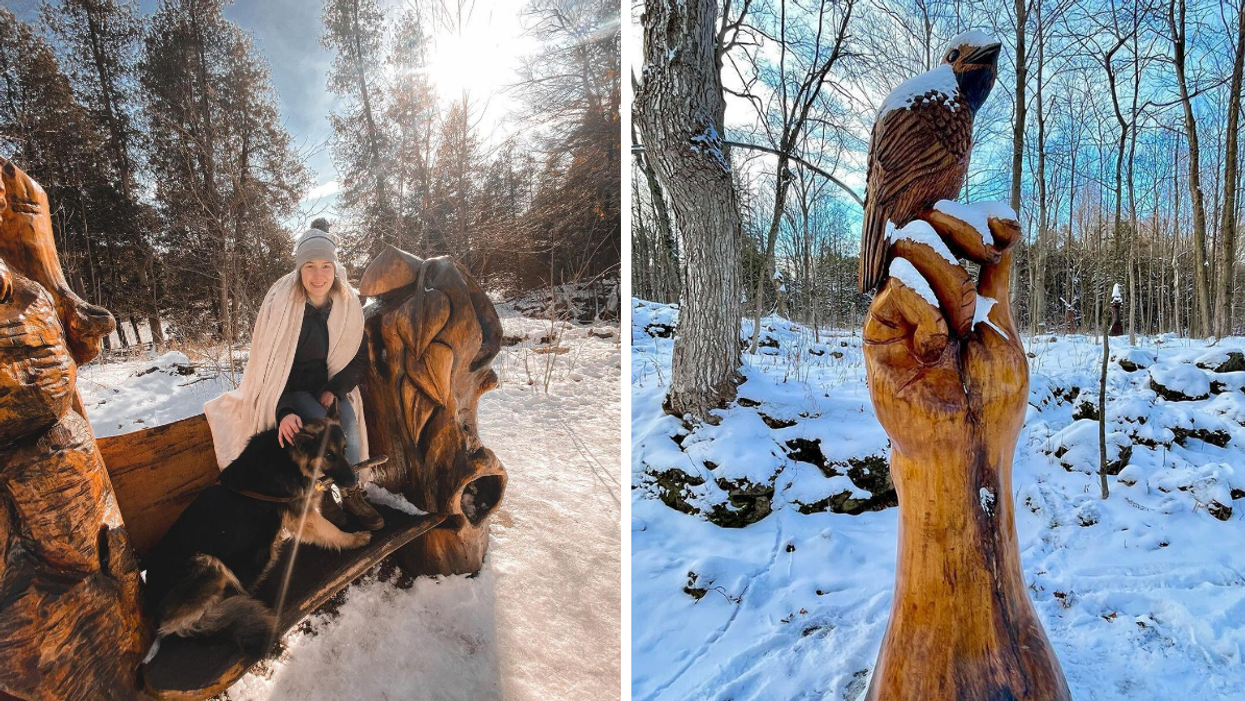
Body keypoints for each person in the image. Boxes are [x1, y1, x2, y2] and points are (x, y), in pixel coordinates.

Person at [203, 218, 384, 530]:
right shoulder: (283, 305)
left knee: (350, 425)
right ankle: (324, 495)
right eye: (309, 266)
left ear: (335, 268)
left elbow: (357, 357)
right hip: (289, 390)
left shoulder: (346, 304)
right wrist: (283, 410)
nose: (318, 275)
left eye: (325, 265)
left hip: (325, 385)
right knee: (324, 429)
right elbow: (268, 371)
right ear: (299, 269)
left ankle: (352, 491)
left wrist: (335, 388)